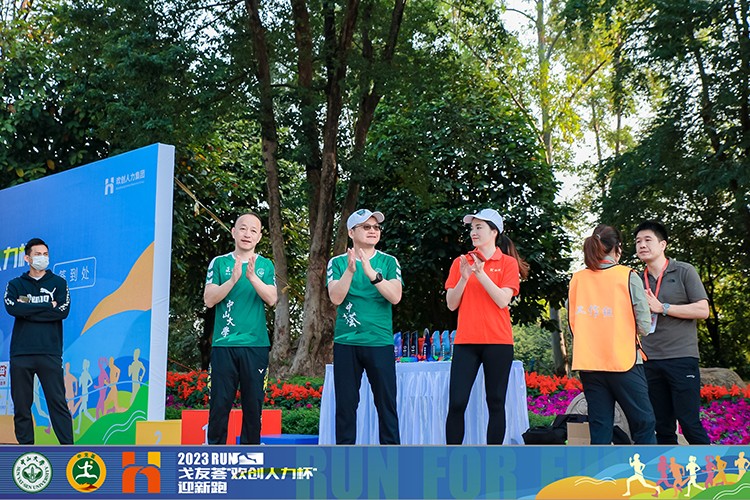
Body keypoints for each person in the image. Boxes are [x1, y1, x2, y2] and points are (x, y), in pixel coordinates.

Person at [444, 209, 528, 445]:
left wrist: (480, 274)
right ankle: (451, 457)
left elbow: (502, 300)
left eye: (479, 227)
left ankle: (492, 458)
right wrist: (464, 277)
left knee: (495, 401)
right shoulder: (461, 262)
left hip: (498, 342)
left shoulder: (508, 263)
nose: (473, 232)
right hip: (465, 342)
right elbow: (451, 304)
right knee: (457, 402)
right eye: (472, 228)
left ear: (494, 232)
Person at [568, 225, 656, 445]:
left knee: (600, 426)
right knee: (643, 423)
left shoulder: (577, 278)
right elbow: (644, 325)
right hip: (624, 361)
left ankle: (601, 468)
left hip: (590, 364)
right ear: (618, 247)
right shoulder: (627, 275)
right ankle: (647, 467)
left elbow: (572, 322)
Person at [327, 208, 402, 445]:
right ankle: (344, 458)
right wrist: (350, 271)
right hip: (347, 342)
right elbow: (336, 297)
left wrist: (371, 273)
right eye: (366, 227)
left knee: (386, 404)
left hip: (379, 342)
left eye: (376, 227)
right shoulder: (338, 262)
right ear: (351, 232)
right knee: (346, 405)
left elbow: (395, 296)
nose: (372, 231)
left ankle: (392, 457)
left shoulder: (388, 261)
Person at [634, 220, 710, 444]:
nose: (642, 245)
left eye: (648, 240)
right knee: (662, 426)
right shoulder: (635, 279)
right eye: (638, 241)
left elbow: (703, 310)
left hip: (681, 358)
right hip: (648, 360)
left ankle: (713, 467)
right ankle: (667, 468)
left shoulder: (684, 270)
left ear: (663, 244)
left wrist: (663, 308)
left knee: (689, 422)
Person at [204, 212, 277, 445]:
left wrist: (252, 278)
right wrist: (232, 280)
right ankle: (215, 452)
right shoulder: (220, 263)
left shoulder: (265, 265)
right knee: (219, 403)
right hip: (224, 345)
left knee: (253, 404)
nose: (247, 234)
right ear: (234, 232)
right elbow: (209, 299)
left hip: (256, 345)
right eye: (243, 228)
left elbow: (272, 298)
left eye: (253, 230)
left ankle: (250, 452)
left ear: (259, 237)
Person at [3, 237, 73, 444]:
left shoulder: (58, 283)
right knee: (22, 406)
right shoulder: (15, 284)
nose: (42, 258)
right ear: (27, 258)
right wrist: (47, 306)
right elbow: (12, 308)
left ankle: (68, 450)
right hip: (21, 354)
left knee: (57, 403)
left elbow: (62, 311)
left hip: (49, 352)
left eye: (45, 254)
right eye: (38, 254)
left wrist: (27, 310)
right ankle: (26, 450)